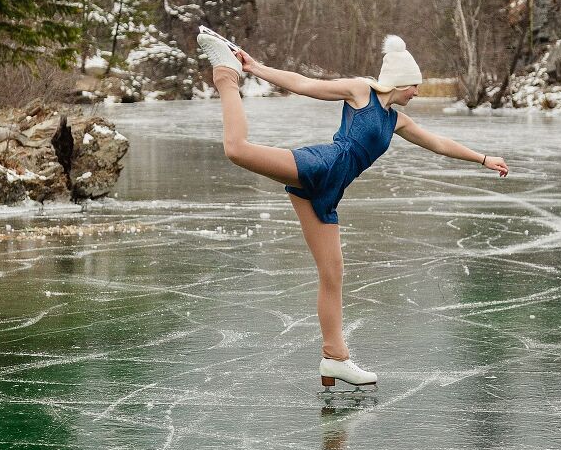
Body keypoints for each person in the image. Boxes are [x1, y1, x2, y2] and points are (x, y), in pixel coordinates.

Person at [197, 28, 509, 390]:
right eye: (415, 86)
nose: (418, 92)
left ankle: (335, 357)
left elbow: (438, 143)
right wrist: (255, 67)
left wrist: (483, 159)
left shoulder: (396, 121)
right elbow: (305, 84)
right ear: (402, 82)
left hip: (331, 190)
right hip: (323, 165)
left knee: (333, 273)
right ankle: (225, 73)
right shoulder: (361, 92)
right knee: (237, 149)